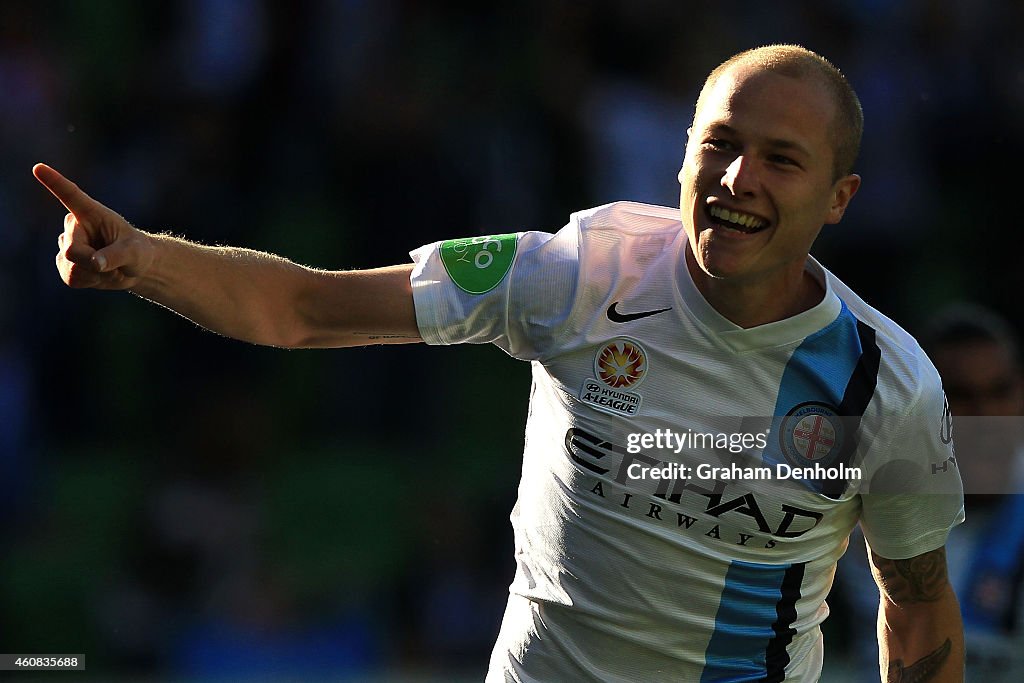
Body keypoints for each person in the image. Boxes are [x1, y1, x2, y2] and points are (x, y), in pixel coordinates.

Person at [36, 44, 965, 682]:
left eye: (781, 159)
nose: (737, 180)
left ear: (840, 197)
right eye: (719, 144)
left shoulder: (889, 385)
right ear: (682, 151)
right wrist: (144, 259)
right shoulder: (577, 272)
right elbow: (307, 308)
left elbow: (918, 605)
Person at [837, 304, 1024, 682]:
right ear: (918, 404)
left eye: (999, 392)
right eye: (961, 396)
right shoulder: (857, 505)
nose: (986, 416)